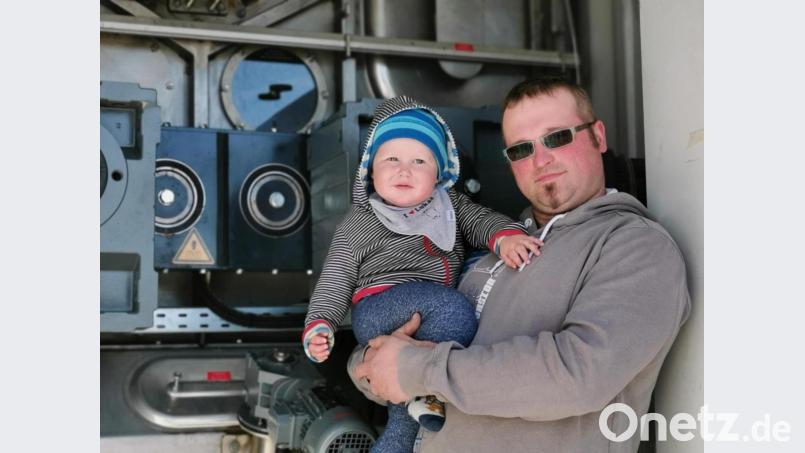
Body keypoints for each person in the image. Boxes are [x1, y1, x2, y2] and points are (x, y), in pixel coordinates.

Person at [351, 77, 691, 453]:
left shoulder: (635, 246)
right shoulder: (494, 247)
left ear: (598, 136)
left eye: (558, 137)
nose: (541, 160)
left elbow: (578, 375)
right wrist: (368, 363)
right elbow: (404, 338)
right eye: (521, 149)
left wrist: (416, 369)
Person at [302, 96, 542, 452]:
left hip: (426, 312)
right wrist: (320, 323)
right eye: (392, 159)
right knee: (454, 309)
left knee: (405, 422)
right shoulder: (361, 221)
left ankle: (407, 419)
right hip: (379, 310)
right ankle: (426, 390)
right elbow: (336, 277)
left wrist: (504, 237)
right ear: (371, 168)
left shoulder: (450, 207)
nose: (404, 170)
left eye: (419, 161)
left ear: (438, 173)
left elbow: (479, 221)